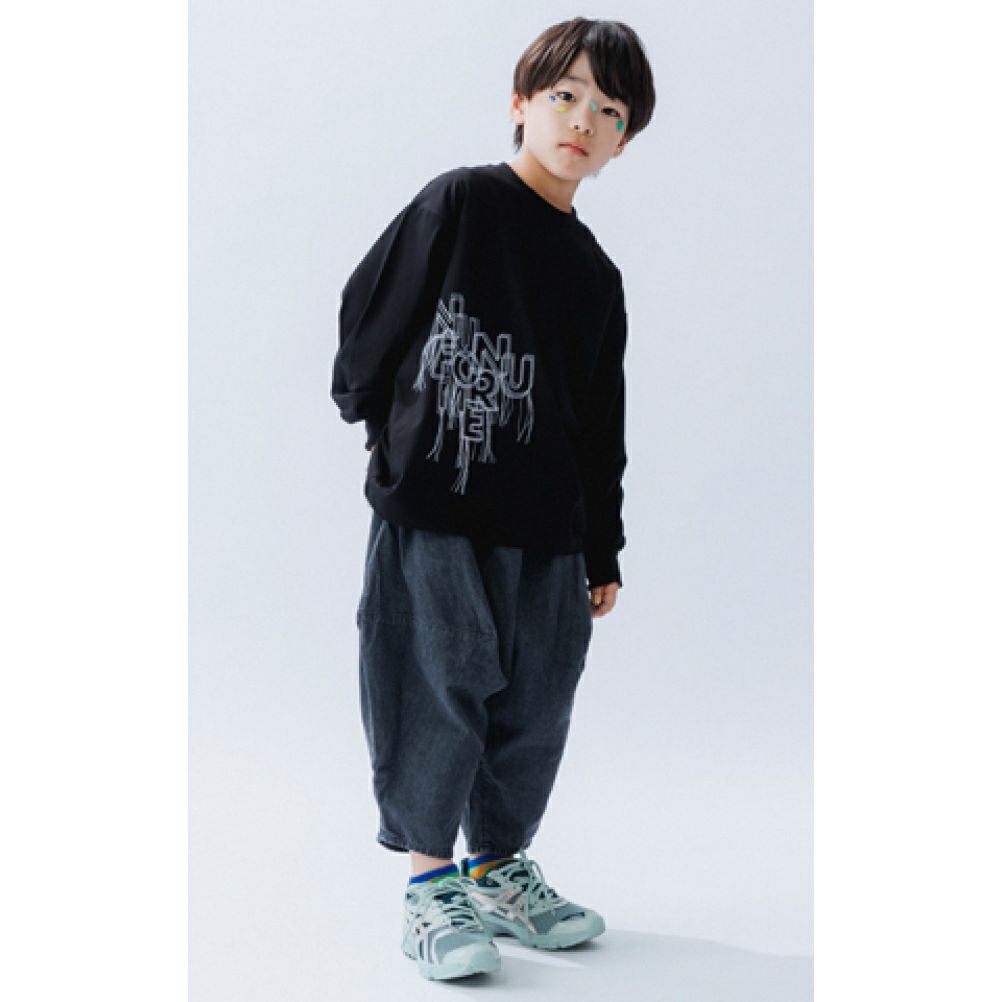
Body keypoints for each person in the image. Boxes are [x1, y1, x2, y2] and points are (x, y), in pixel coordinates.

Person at [330, 17, 655, 981]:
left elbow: (600, 423)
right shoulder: (461, 203)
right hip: (438, 510)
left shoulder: (596, 277)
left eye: (609, 110)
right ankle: (431, 886)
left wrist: (601, 545)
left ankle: (500, 867)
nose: (582, 120)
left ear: (624, 141)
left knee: (536, 704)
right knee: (436, 685)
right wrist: (384, 434)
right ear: (521, 103)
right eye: (565, 95)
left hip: (547, 532)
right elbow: (370, 314)